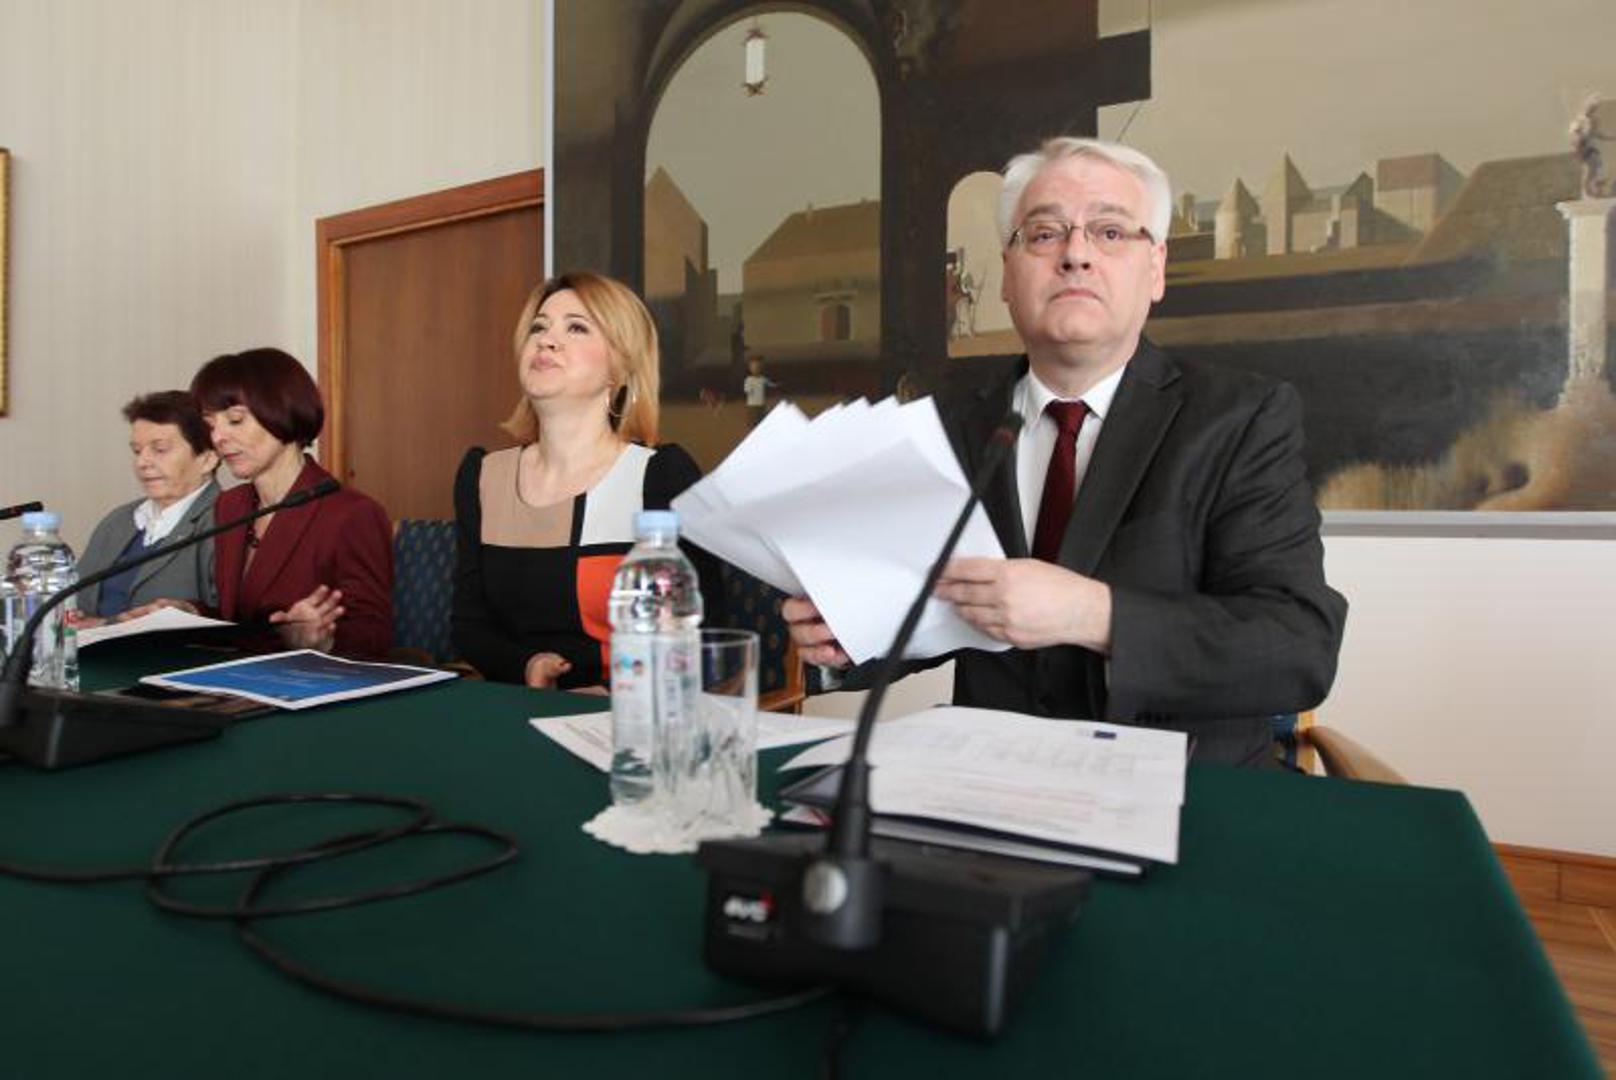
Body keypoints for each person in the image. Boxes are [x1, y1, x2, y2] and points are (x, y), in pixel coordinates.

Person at [785, 137, 1348, 767]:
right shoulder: (950, 425)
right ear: (1007, 273)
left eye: (1110, 232)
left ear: (1155, 269)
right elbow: (932, 611)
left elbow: (1298, 646)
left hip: (1185, 793)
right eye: (1045, 234)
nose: (1076, 255)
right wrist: (850, 638)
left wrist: (1091, 613)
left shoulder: (1242, 419)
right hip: (987, 786)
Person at [452, 271, 712, 690]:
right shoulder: (482, 475)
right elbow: (469, 626)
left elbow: (701, 634)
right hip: (514, 705)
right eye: (539, 327)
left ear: (620, 366)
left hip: (629, 713)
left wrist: (619, 695)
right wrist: (527, 666)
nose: (547, 341)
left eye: (576, 328)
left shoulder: (660, 475)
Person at [191, 348, 393, 658]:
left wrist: (320, 641)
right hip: (240, 678)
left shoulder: (352, 514)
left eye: (235, 420)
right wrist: (189, 612)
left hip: (311, 682)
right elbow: (241, 624)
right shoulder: (231, 505)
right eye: (211, 425)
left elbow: (374, 638)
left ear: (282, 411)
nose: (218, 437)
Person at [75, 392, 220, 622]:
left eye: (160, 449)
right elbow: (74, 601)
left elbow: (227, 617)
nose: (142, 462)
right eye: (137, 451)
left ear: (207, 459)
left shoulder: (224, 521)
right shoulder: (118, 520)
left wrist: (104, 625)